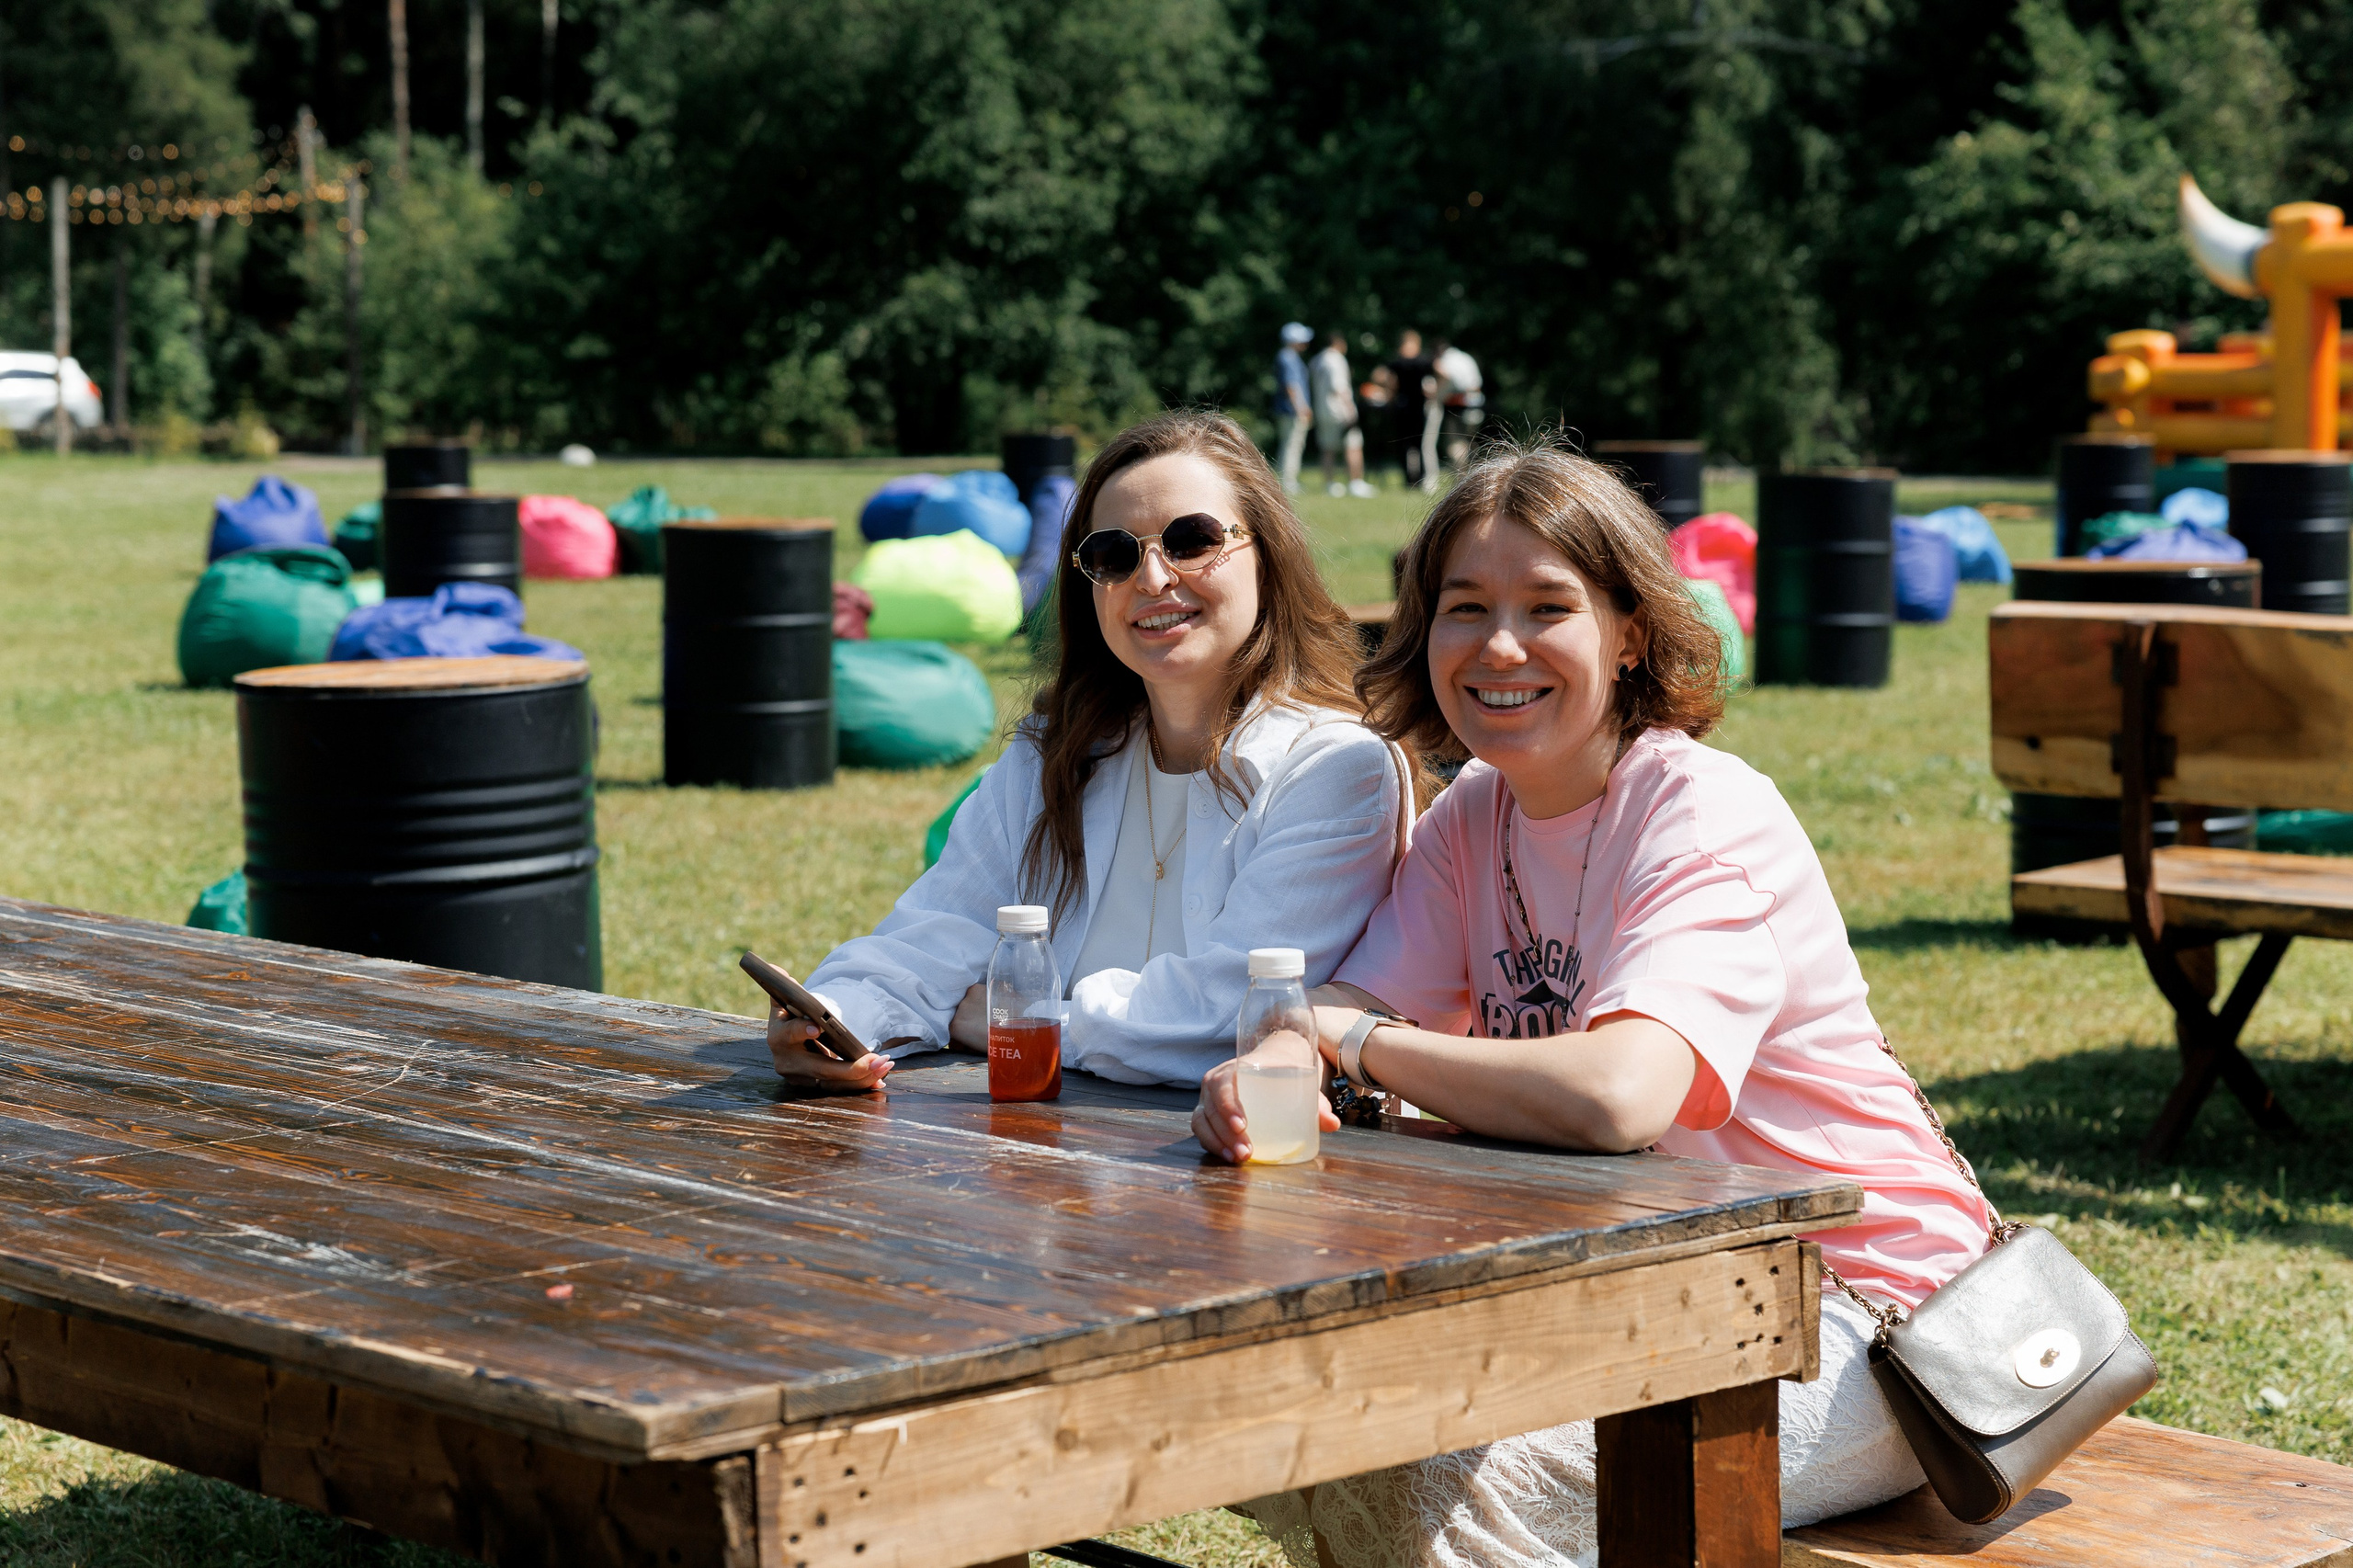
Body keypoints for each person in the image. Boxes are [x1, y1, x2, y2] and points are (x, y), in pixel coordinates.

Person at [1194, 440, 1995, 1568]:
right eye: (1463, 607)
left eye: (1547, 606)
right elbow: (1330, 1002)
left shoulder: (1703, 813)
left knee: (1434, 1475)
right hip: (1653, 1276)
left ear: (1627, 632)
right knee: (1311, 1411)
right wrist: (1269, 1067)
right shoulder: (1478, 811)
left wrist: (1360, 1041)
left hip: (1864, 1314)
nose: (1499, 645)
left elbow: (1621, 1094)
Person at [771, 410, 1412, 1091]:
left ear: (1270, 557)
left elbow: (1234, 1022)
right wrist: (832, 1018)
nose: (1154, 578)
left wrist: (1017, 1023)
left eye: (1193, 540)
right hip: (1033, 1167)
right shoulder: (1050, 756)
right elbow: (928, 938)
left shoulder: (1338, 769)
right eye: (1114, 554)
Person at [1311, 332, 1376, 498]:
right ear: (1339, 343)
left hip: (1322, 410)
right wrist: (1350, 410)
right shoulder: (1336, 359)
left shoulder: (1317, 360)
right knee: (1353, 445)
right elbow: (1339, 387)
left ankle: (1329, 483)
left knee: (1328, 447)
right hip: (1339, 411)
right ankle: (1356, 483)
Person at [1384, 330, 1436, 493]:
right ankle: (1418, 478)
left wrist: (1390, 398)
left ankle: (1410, 479)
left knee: (1405, 445)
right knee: (1417, 445)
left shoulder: (1397, 362)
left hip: (1403, 406)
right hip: (1418, 408)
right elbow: (1442, 373)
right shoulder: (1424, 361)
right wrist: (1436, 394)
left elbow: (1388, 381)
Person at [1430, 339, 1483, 475]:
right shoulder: (1466, 358)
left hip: (1457, 405)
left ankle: (1461, 476)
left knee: (1455, 444)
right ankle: (1474, 474)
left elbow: (1447, 381)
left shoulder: (1444, 362)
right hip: (1475, 404)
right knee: (1471, 442)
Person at [1273, 322, 1315, 495]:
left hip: (1288, 410)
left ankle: (1287, 480)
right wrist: (1301, 408)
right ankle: (1288, 481)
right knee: (1292, 445)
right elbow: (1291, 386)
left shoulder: (1288, 356)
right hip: (1291, 411)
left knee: (1289, 444)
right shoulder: (1288, 357)